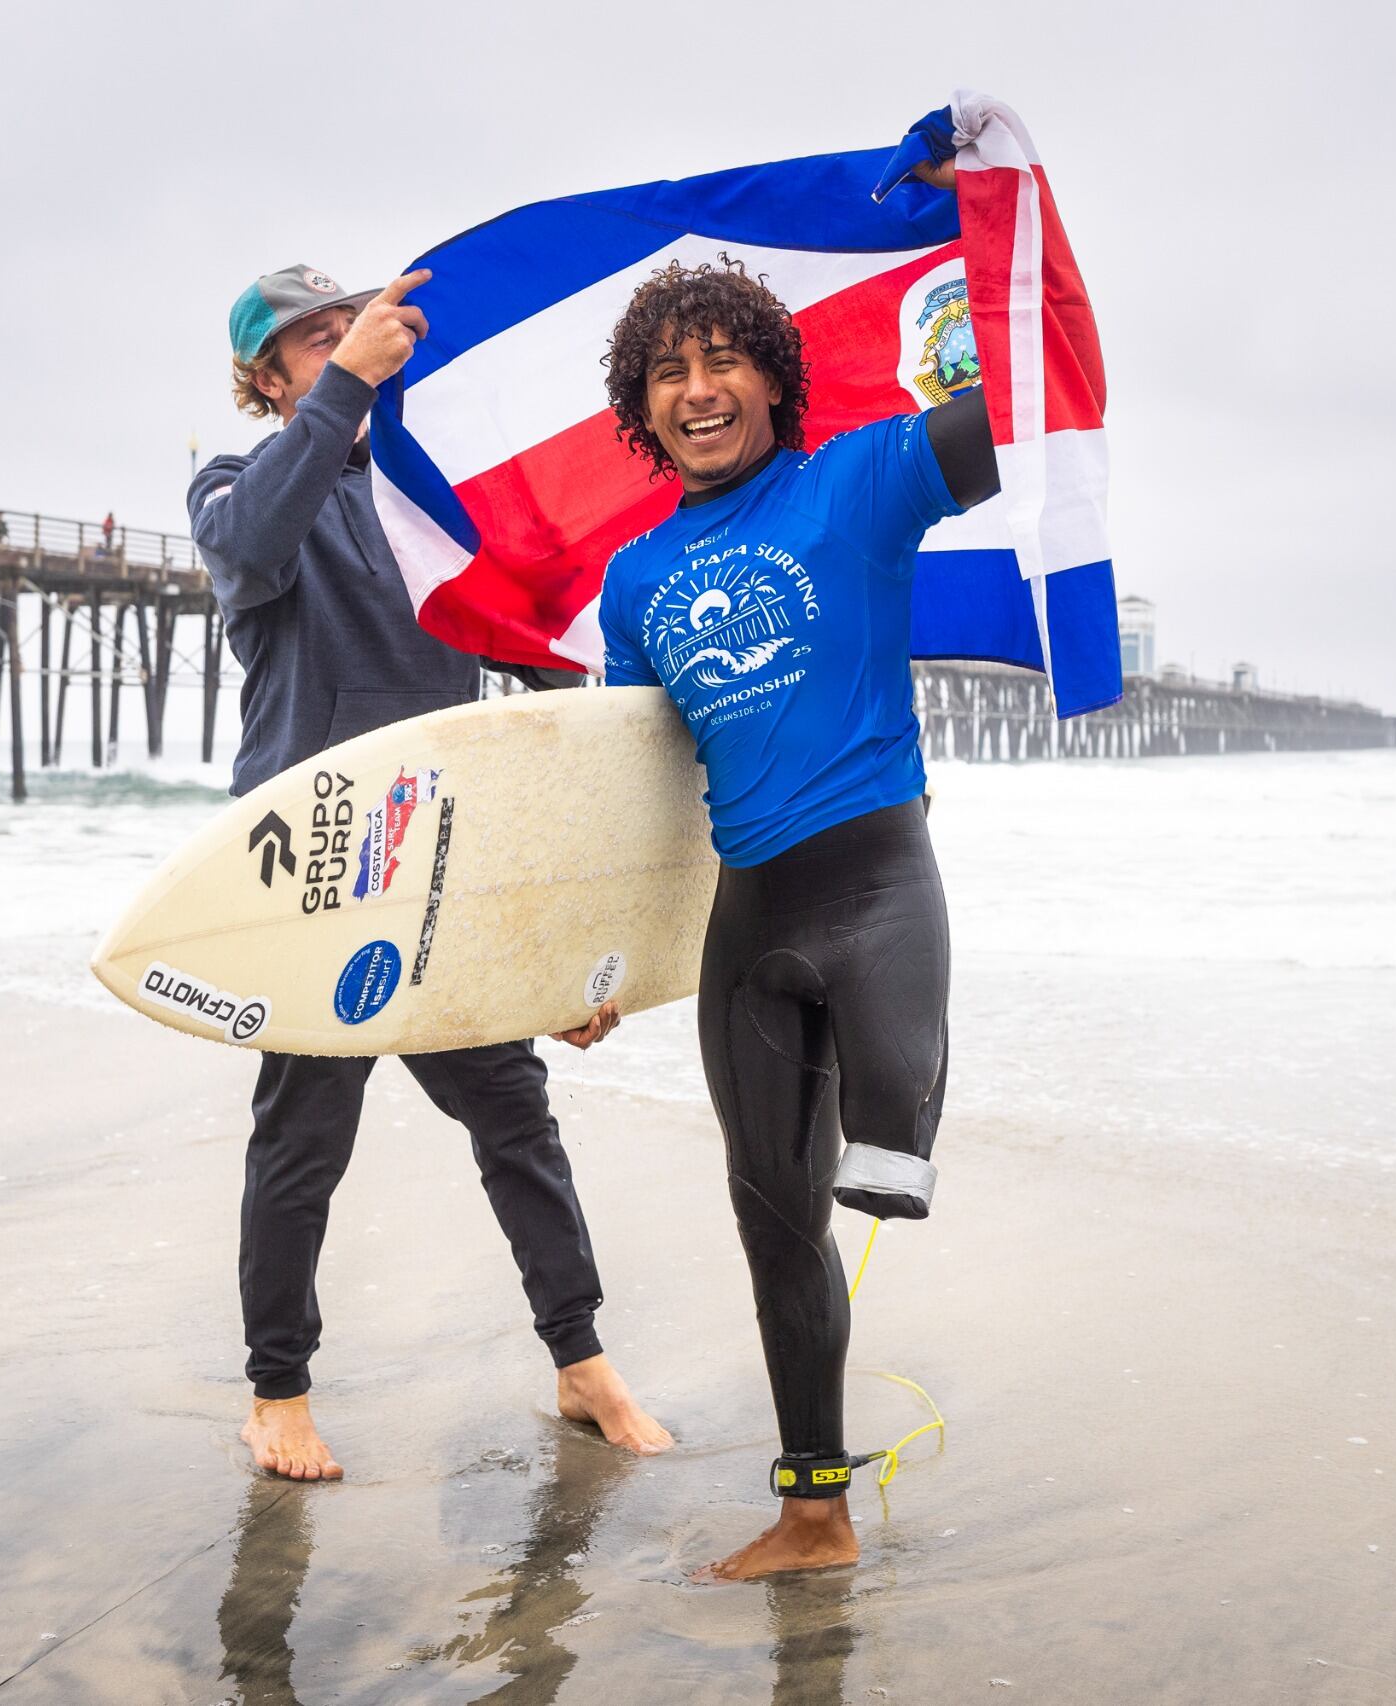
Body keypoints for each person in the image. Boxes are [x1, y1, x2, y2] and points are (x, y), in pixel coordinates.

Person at [188, 262, 670, 1481]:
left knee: (515, 1117)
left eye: (351, 323)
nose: (344, 341)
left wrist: (580, 935)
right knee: (304, 1139)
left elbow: (556, 692)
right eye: (311, 338)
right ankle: (277, 1392)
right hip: (311, 872)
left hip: (441, 862)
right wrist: (345, 391)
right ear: (266, 376)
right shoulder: (241, 488)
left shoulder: (433, 506)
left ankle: (579, 1359)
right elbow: (251, 548)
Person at [594, 242, 1001, 1579]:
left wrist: (994, 226)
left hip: (878, 887)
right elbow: (633, 792)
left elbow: (1033, 406)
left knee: (889, 1168)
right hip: (745, 923)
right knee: (774, 1217)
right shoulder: (637, 583)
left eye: (722, 360)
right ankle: (814, 1512)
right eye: (669, 371)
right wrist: (592, 969)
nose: (697, 389)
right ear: (640, 407)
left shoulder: (861, 482)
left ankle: (823, 1499)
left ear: (773, 379)